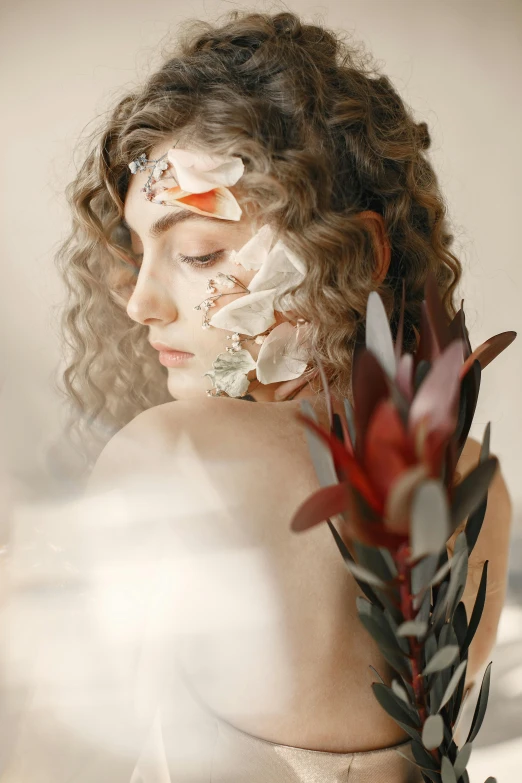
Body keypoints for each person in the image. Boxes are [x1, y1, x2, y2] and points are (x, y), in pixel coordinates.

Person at [53, 9, 512, 783]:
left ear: (358, 253)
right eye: (139, 254)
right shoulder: (479, 486)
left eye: (199, 252)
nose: (139, 304)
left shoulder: (172, 455)